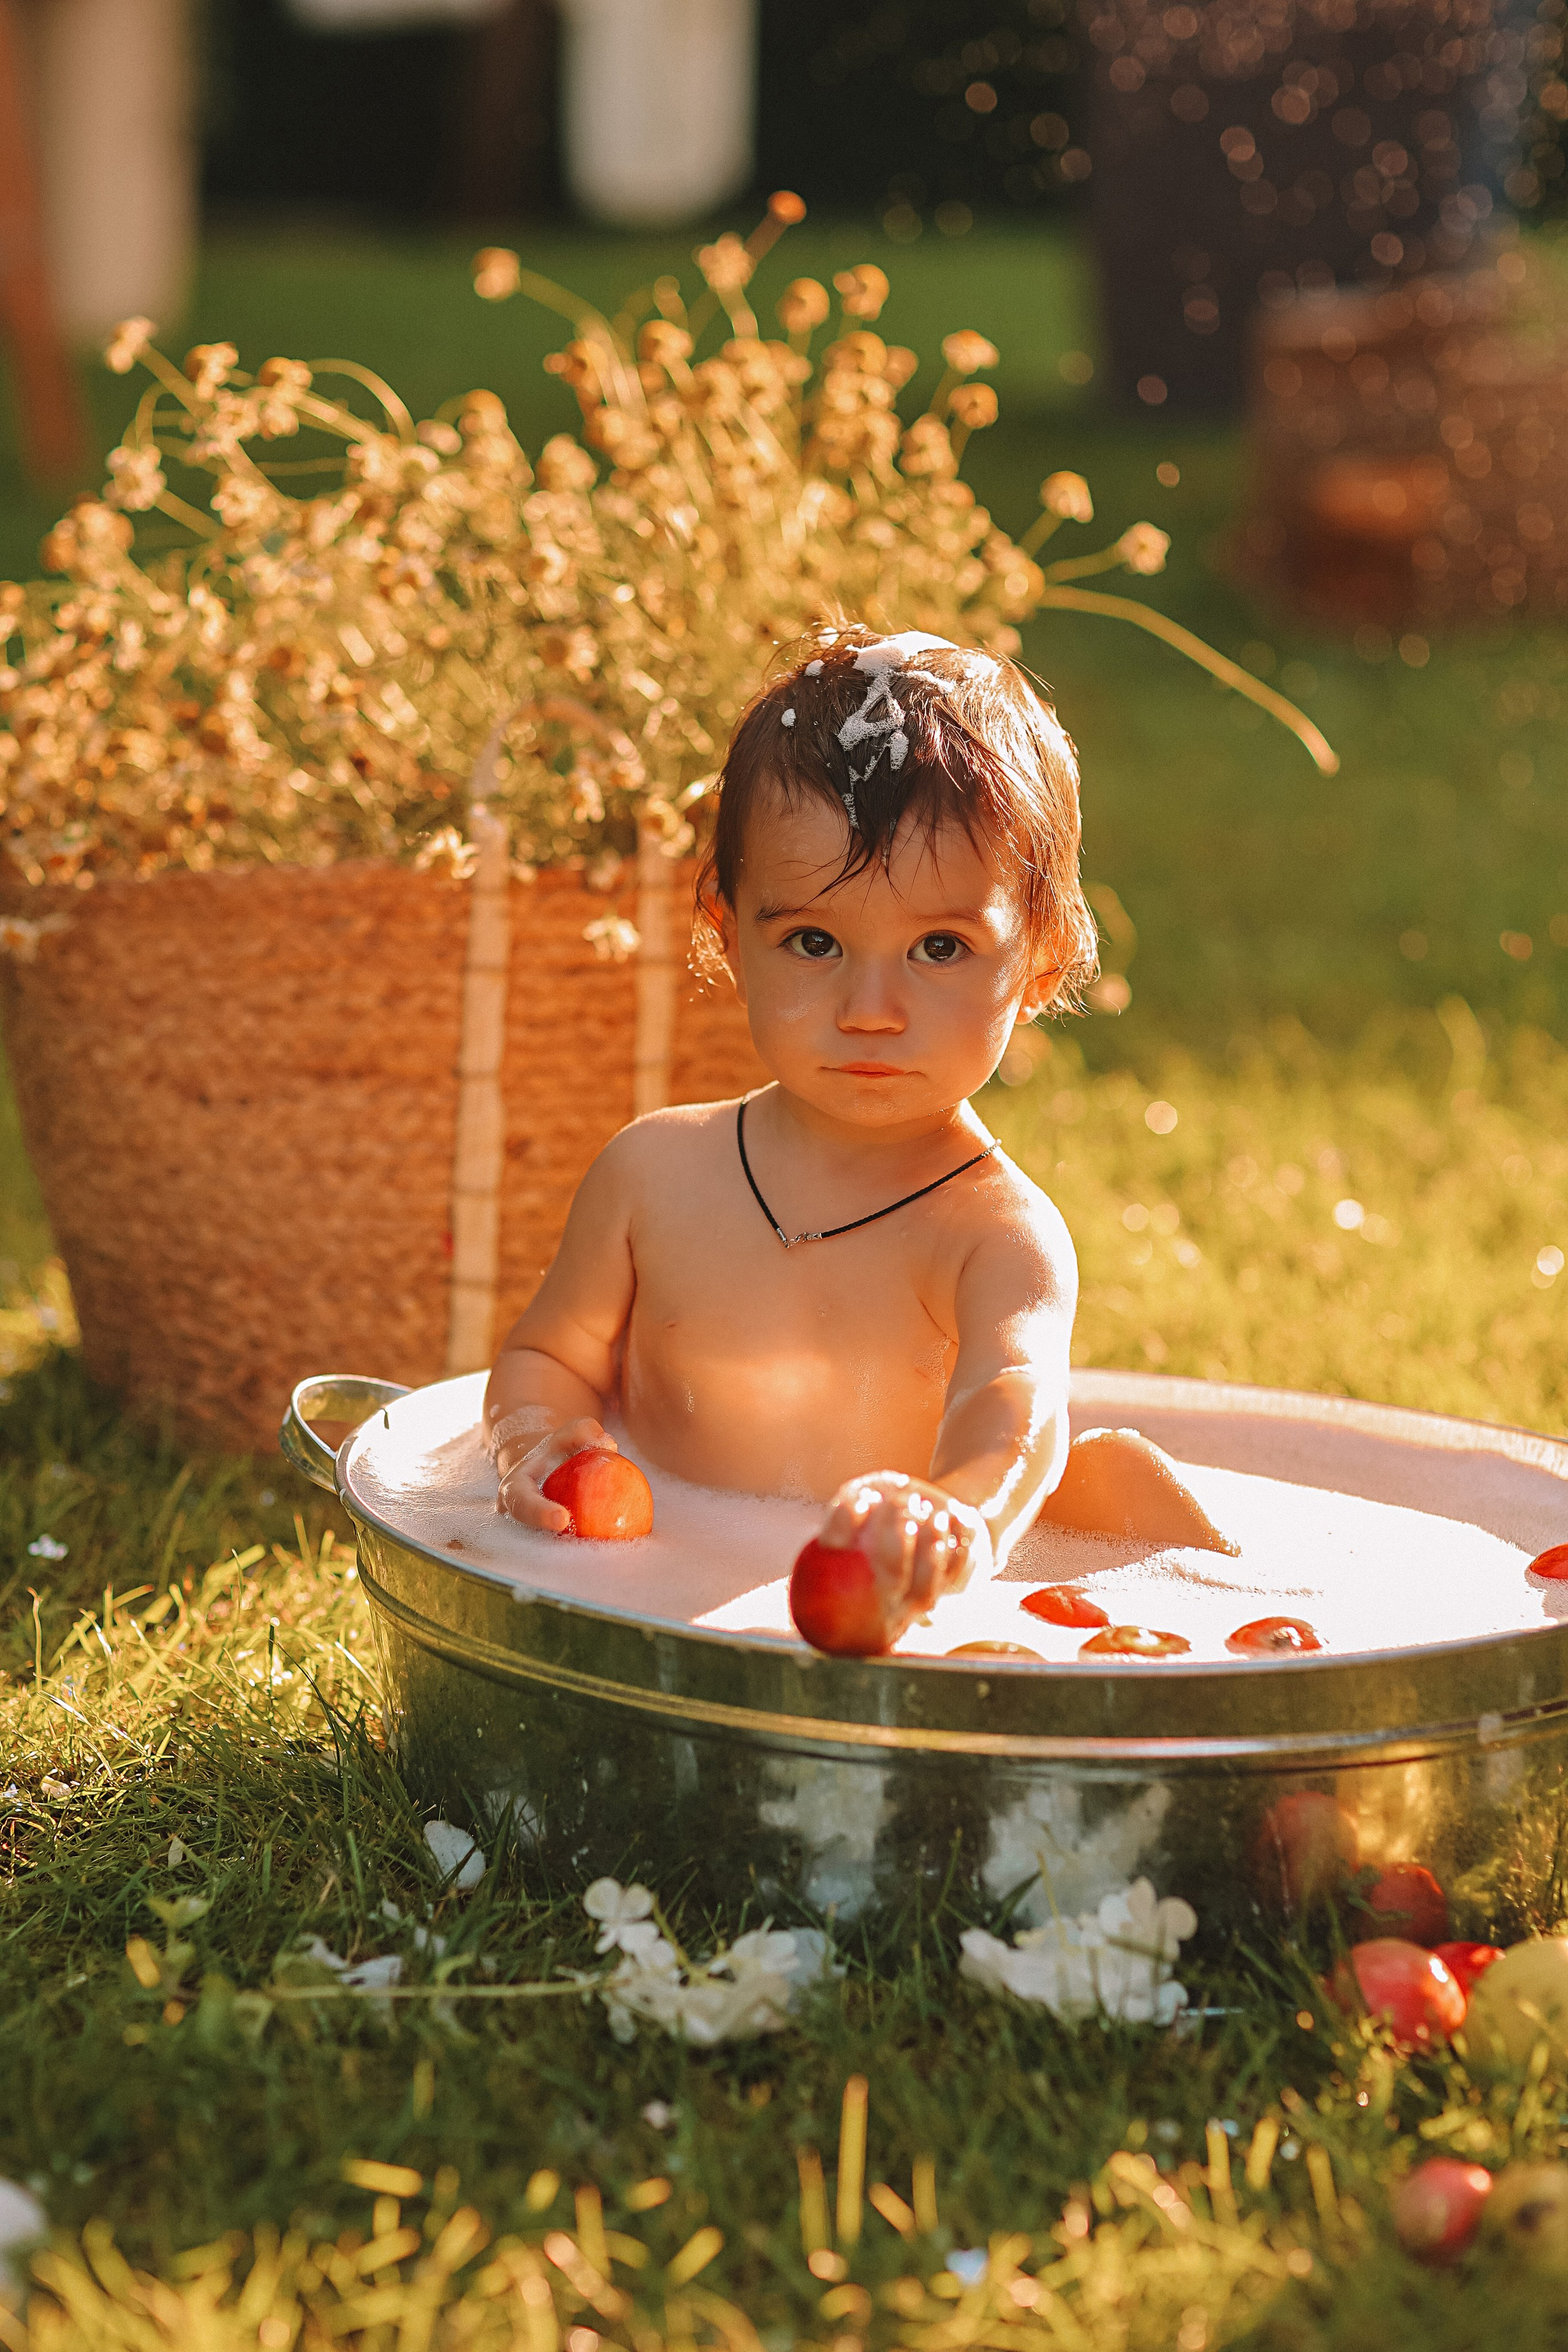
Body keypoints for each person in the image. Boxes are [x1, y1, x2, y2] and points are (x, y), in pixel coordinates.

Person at [484, 624, 1231, 1649]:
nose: (870, 1008)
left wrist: (955, 1516)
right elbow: (545, 1354)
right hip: (641, 1602)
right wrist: (537, 1440)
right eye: (814, 942)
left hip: (883, 1626)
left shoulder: (994, 1235)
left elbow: (1015, 1416)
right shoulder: (651, 1177)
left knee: (1132, 1514)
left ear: (1044, 965)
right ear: (727, 932)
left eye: (940, 947)